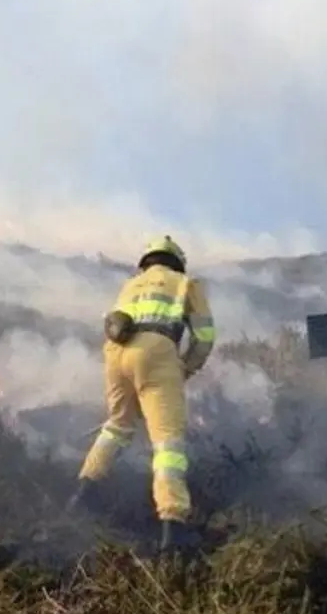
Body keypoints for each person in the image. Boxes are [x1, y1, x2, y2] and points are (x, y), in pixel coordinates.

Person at [67, 236, 217, 555]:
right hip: (158, 353)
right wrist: (184, 370)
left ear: (147, 261)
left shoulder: (131, 285)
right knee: (168, 443)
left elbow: (114, 323)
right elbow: (205, 337)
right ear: (176, 261)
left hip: (116, 354)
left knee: (117, 426)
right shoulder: (185, 283)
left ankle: (82, 494)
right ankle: (172, 527)